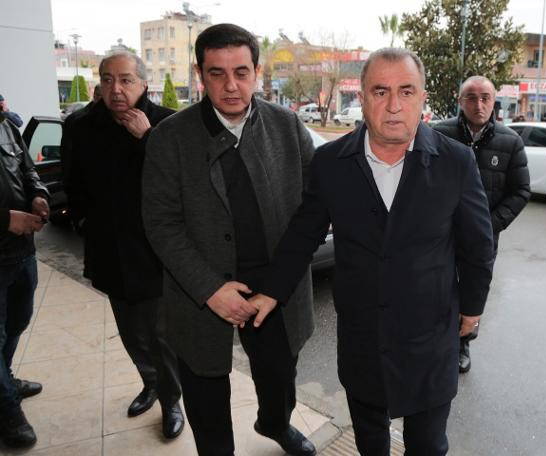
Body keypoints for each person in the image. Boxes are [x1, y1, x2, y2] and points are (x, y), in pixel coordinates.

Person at [249, 48, 495, 455]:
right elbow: (303, 233)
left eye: (406, 91)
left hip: (430, 340)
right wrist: (271, 291)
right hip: (363, 339)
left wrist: (472, 309)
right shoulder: (331, 162)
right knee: (370, 443)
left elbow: (478, 244)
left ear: (422, 98)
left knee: (428, 446)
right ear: (361, 98)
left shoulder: (455, 161)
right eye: (381, 91)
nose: (394, 105)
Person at [141, 24, 317, 456]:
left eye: (241, 72)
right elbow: (161, 223)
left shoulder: (287, 126)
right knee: (205, 390)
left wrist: (277, 287)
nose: (231, 85)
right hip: (202, 290)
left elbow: (313, 209)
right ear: (200, 74)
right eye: (217, 73)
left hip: (275, 289)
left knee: (280, 376)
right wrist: (209, 290)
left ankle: (275, 424)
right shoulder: (169, 137)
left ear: (257, 72)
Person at [64, 52, 184, 439]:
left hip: (155, 254)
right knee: (131, 333)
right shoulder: (81, 125)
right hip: (109, 251)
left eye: (126, 80)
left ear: (144, 84)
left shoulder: (167, 124)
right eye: (107, 79)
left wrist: (148, 140)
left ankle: (171, 399)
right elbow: (73, 184)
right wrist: (83, 223)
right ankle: (151, 384)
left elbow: (183, 186)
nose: (116, 89)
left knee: (160, 336)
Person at [433, 75, 530, 373]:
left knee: (473, 289)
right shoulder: (438, 133)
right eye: (472, 97)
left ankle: (463, 343)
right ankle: (435, 339)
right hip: (442, 235)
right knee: (437, 285)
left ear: (494, 101)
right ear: (460, 101)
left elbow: (521, 191)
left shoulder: (510, 141)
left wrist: (488, 225)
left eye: (485, 97)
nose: (479, 104)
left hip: (484, 238)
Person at [0, 106, 48, 448]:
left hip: (21, 251)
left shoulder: (7, 128)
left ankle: (5, 379)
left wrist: (39, 195)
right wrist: (5, 220)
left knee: (18, 321)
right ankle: (7, 410)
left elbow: (29, 170)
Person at [61, 84, 101, 198]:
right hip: (83, 186)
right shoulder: (77, 120)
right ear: (95, 96)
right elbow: (67, 154)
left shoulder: (116, 117)